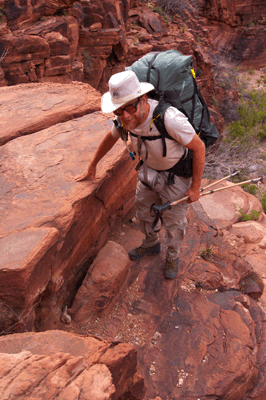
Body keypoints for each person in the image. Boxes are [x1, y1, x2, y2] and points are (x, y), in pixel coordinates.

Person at [75, 70, 205, 279]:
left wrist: (195, 186)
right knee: (143, 211)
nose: (125, 115)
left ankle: (173, 254)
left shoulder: (169, 119)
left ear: (143, 99)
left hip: (177, 176)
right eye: (119, 111)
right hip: (149, 170)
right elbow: (110, 138)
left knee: (174, 221)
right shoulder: (124, 120)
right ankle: (150, 244)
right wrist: (93, 164)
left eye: (130, 107)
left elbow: (199, 148)